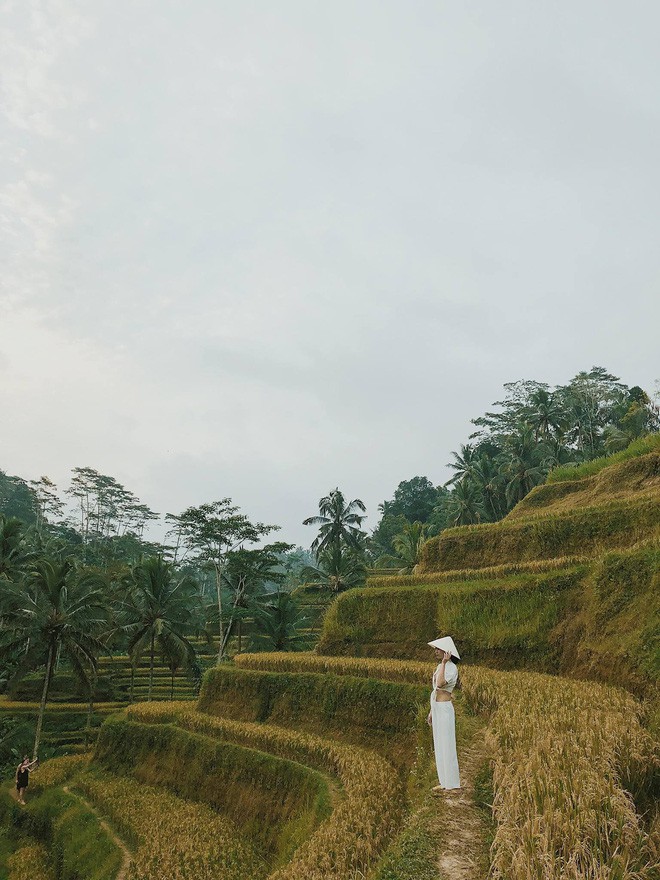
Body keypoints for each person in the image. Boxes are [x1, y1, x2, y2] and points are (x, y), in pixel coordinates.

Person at [426, 636, 461, 792]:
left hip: (445, 708)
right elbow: (435, 689)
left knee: (447, 744)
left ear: (447, 652)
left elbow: (440, 684)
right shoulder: (440, 667)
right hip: (437, 708)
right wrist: (432, 711)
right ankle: (444, 781)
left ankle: (452, 783)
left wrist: (444, 663)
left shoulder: (451, 667)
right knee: (439, 744)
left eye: (438, 649)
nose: (436, 652)